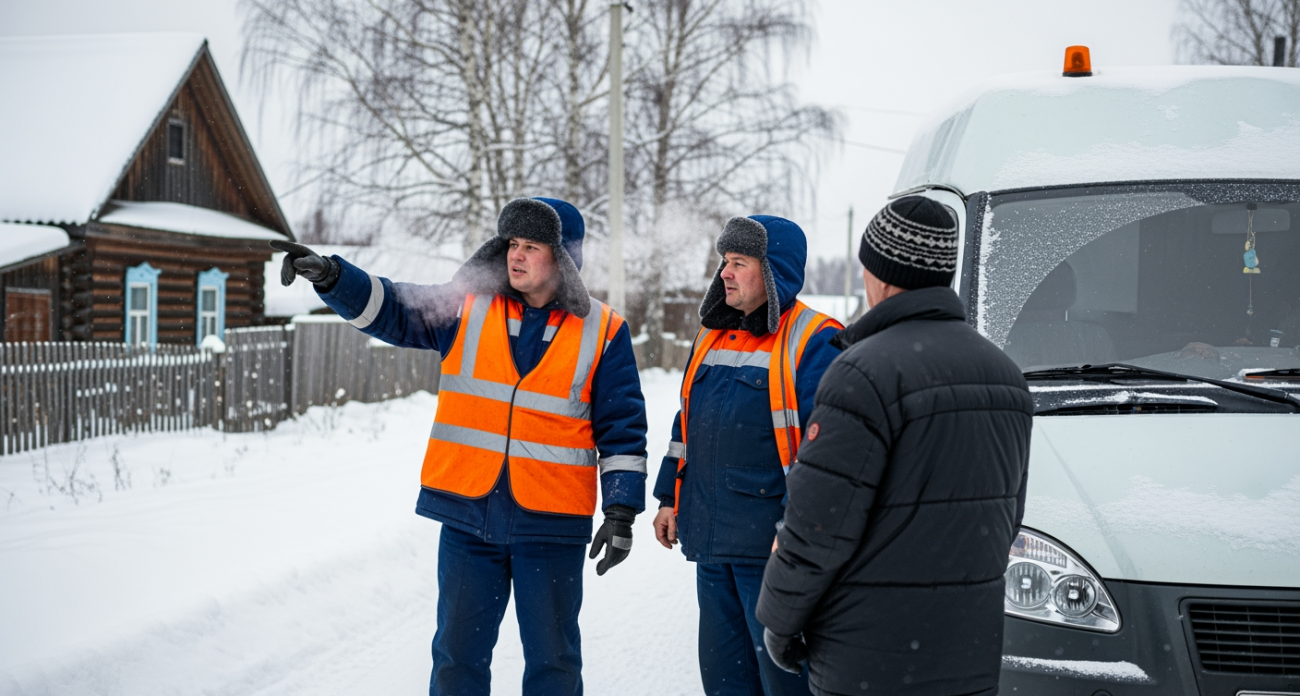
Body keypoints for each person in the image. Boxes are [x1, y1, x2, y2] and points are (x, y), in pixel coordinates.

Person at [272, 197, 648, 696]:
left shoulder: (603, 330)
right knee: (456, 660)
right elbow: (396, 308)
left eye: (531, 247)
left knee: (554, 664)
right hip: (469, 518)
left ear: (562, 258)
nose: (515, 256)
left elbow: (622, 426)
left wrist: (621, 510)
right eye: (512, 244)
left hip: (552, 526)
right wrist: (333, 277)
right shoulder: (467, 305)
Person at [755, 196, 1034, 696]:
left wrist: (780, 618)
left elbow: (818, 526)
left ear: (881, 275)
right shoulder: (1005, 376)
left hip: (868, 655)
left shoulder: (862, 372)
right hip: (966, 648)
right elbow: (1005, 519)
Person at [650, 215, 842, 696]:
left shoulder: (815, 340)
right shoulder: (711, 334)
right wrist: (669, 498)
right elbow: (687, 423)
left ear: (773, 272)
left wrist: (802, 536)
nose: (725, 274)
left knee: (784, 682)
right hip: (712, 544)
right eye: (723, 262)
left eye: (738, 262)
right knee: (724, 679)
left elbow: (829, 453)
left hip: (773, 552)